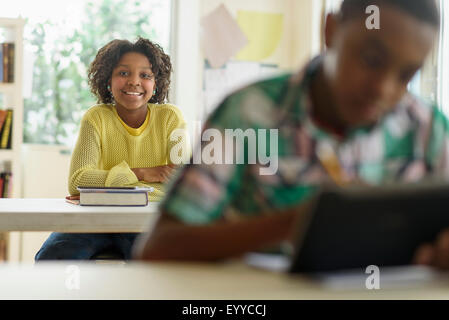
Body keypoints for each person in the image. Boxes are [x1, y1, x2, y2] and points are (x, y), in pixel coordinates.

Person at [133, 0, 449, 269]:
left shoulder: (428, 130)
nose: (383, 89)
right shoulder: (248, 115)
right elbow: (159, 248)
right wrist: (297, 222)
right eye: (371, 60)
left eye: (407, 75)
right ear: (331, 32)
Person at [35, 37, 189, 261]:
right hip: (94, 218)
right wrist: (143, 174)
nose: (134, 82)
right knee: (52, 257)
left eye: (145, 75)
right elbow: (78, 181)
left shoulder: (170, 117)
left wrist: (108, 187)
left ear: (156, 84)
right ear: (108, 79)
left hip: (145, 221)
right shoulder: (96, 117)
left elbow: (181, 183)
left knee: (156, 267)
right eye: (123, 73)